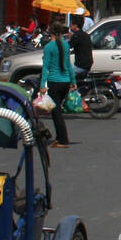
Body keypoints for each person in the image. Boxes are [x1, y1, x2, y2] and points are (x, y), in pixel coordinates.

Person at [40, 19, 76, 148]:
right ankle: (59, 138)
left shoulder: (48, 47)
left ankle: (63, 140)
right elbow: (68, 65)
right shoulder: (65, 46)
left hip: (54, 82)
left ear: (51, 33)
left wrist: (42, 85)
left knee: (56, 113)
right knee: (57, 111)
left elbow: (45, 67)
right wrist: (73, 81)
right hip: (65, 82)